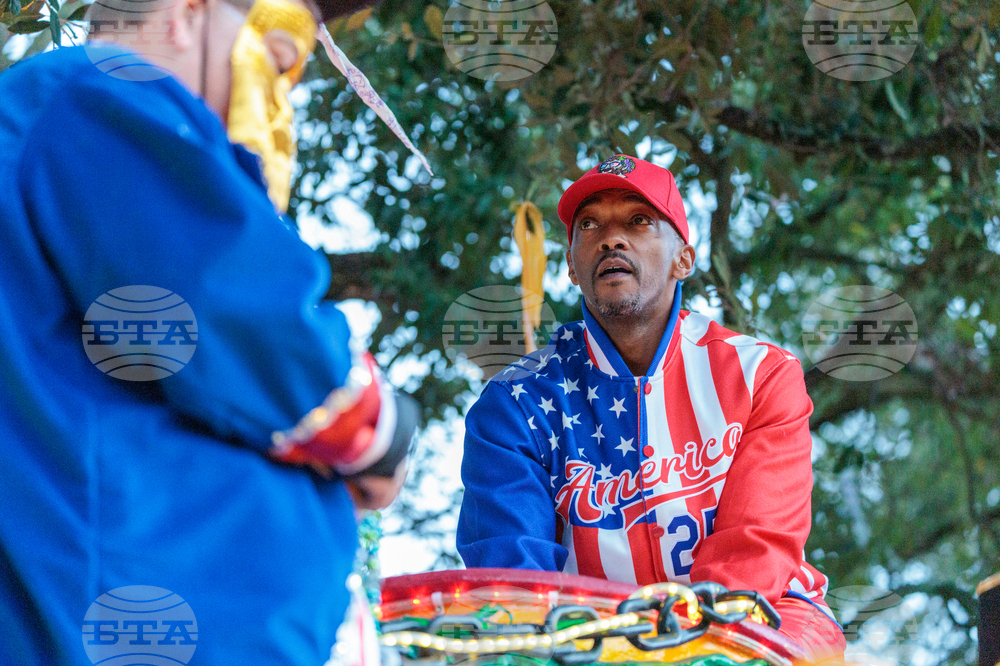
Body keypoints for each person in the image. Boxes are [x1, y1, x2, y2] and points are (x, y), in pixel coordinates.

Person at [0, 0, 417, 664]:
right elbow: (239, 310)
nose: (280, 100)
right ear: (184, 13)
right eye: (274, 59)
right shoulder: (100, 91)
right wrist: (382, 432)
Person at [457, 155, 846, 657]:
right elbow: (514, 583)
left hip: (763, 616)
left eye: (639, 221)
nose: (611, 239)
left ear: (683, 259)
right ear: (573, 265)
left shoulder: (760, 374)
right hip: (587, 638)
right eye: (590, 225)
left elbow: (755, 549)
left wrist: (681, 648)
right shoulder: (513, 403)